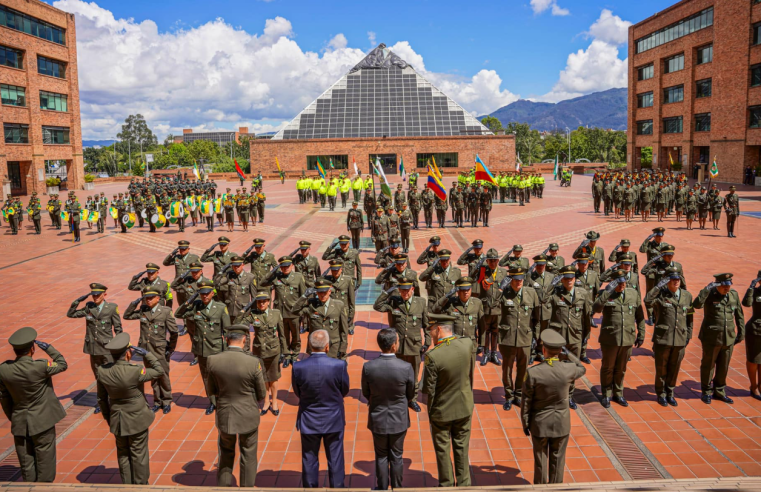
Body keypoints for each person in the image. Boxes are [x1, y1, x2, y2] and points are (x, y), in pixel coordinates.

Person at [0, 327, 67, 482]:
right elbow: (62, 364)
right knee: (45, 460)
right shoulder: (40, 366)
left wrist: (14, 416)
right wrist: (49, 348)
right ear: (32, 348)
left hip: (20, 421)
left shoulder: (3, 369)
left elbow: (4, 398)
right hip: (43, 421)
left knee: (26, 462)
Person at [96, 333, 164, 484]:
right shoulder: (135, 371)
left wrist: (109, 419)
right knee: (138, 453)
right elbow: (159, 370)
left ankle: (127, 485)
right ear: (128, 353)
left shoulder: (102, 371)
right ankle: (140, 486)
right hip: (137, 418)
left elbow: (101, 399)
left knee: (123, 453)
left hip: (117, 418)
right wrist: (148, 355)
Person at [521, 330, 586, 484]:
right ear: (560, 351)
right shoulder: (568, 370)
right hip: (561, 424)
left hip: (540, 423)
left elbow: (526, 401)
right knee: (558, 462)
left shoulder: (533, 373)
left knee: (540, 462)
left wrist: (525, 422)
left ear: (544, 350)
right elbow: (581, 368)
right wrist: (569, 354)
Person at [207, 325, 267, 487]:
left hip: (225, 414)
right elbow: (261, 394)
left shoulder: (213, 360)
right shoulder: (253, 362)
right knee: (248, 455)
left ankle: (224, 488)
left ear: (226, 340)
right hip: (248, 415)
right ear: (245, 340)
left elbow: (211, 391)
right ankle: (246, 488)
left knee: (226, 453)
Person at [422, 313, 474, 487]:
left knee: (443, 451)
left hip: (442, 412)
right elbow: (470, 374)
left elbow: (428, 389)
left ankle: (446, 485)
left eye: (431, 331)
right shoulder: (467, 343)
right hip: (465, 406)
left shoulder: (433, 356)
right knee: (462, 448)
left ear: (438, 329)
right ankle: (464, 485)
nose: (430, 335)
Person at [293, 330, 350, 488]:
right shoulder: (339, 365)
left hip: (309, 420)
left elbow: (298, 392)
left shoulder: (298, 366)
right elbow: (344, 390)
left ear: (310, 346)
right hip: (333, 418)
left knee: (309, 459)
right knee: (336, 459)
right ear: (327, 347)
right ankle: (337, 489)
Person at [361, 329, 415, 491]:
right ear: (393, 346)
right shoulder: (406, 367)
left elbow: (366, 392)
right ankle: (397, 488)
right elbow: (410, 393)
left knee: (381, 455)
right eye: (397, 342)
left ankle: (382, 488)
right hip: (399, 418)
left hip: (378, 418)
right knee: (397, 456)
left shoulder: (369, 367)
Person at [174, 279, 231, 415]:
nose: (204, 296)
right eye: (201, 294)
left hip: (216, 349)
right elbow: (178, 314)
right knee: (206, 377)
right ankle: (212, 402)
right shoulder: (196, 306)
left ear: (212, 293)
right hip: (201, 348)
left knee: (220, 376)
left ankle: (222, 401)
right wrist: (189, 301)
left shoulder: (221, 307)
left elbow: (227, 331)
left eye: (207, 293)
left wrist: (226, 350)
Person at [592, 269, 646, 408]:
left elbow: (639, 316)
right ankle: (606, 394)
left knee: (621, 368)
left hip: (627, 337)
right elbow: (596, 308)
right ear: (613, 282)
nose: (622, 285)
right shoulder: (605, 293)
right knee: (608, 368)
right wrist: (608, 292)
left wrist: (641, 333)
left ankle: (618, 393)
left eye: (623, 282)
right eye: (618, 282)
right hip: (610, 338)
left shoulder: (633, 294)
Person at [66, 282, 122, 414]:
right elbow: (71, 314)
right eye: (93, 295)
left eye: (98, 295)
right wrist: (77, 301)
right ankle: (102, 402)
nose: (95, 297)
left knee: (110, 376)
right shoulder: (88, 307)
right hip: (93, 348)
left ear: (104, 294)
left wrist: (120, 347)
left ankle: (114, 401)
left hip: (107, 349)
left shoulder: (112, 308)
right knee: (98, 377)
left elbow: (118, 328)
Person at [373, 280, 429, 410]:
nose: (405, 293)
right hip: (397, 346)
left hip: (414, 345)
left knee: (413, 375)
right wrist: (387, 291)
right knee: (396, 374)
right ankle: (398, 398)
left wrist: (427, 342)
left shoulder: (420, 302)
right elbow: (377, 306)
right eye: (402, 290)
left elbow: (426, 325)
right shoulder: (394, 301)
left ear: (412, 289)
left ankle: (412, 399)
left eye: (407, 290)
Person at [122, 286, 178, 414]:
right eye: (146, 298)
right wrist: (135, 302)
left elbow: (174, 332)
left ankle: (167, 401)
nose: (148, 300)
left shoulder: (165, 311)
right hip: (146, 349)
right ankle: (157, 401)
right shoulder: (143, 310)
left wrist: (171, 349)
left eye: (151, 298)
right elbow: (127, 315)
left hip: (159, 350)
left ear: (158, 298)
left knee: (163, 375)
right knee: (152, 376)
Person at [644, 267, 693, 407]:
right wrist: (658, 286)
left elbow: (690, 317)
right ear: (667, 281)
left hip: (680, 338)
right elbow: (647, 300)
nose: (676, 282)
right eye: (672, 280)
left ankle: (670, 392)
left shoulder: (687, 296)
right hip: (663, 338)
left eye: (678, 279)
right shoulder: (661, 295)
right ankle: (661, 393)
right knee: (661, 368)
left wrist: (688, 335)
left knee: (674, 367)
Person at [692, 273, 745, 404]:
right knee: (708, 365)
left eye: (728, 285)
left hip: (728, 337)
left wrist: (741, 332)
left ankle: (720, 391)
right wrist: (706, 289)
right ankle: (706, 391)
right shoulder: (709, 294)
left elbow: (739, 314)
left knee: (724, 366)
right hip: (711, 337)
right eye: (723, 286)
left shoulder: (733, 295)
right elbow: (697, 305)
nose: (727, 288)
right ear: (717, 285)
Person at [235, 291, 286, 415]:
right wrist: (243, 310)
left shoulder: (276, 313)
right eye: (259, 302)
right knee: (263, 378)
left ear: (269, 302)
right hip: (259, 351)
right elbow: (238, 322)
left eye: (264, 301)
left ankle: (274, 401)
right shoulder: (253, 314)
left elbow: (282, 334)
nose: (261, 304)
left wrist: (284, 351)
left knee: (273, 378)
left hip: (273, 350)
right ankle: (266, 401)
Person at [498, 267, 541, 410]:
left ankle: (518, 394)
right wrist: (498, 290)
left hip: (525, 337)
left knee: (523, 369)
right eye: (515, 280)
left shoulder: (531, 293)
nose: (518, 282)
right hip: (508, 338)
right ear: (511, 280)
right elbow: (491, 307)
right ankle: (509, 396)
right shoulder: (504, 293)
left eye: (521, 279)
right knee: (507, 370)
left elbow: (537, 317)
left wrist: (535, 336)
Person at [260, 256, 306, 367]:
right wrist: (273, 271)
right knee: (283, 335)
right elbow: (262, 282)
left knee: (295, 335)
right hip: (280, 312)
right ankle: (286, 355)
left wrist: (301, 310)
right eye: (283, 267)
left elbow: (303, 295)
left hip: (293, 312)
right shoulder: (277, 276)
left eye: (287, 266)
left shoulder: (298, 277)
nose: (285, 269)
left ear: (292, 266)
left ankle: (294, 354)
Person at [293, 279, 349, 360]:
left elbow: (344, 329)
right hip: (316, 348)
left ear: (329, 292)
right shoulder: (312, 305)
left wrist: (342, 349)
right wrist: (304, 296)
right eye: (319, 292)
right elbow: (294, 311)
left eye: (325, 292)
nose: (322, 295)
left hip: (333, 347)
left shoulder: (339, 305)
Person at [742, 271, 761, 400]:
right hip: (756, 330)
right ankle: (753, 386)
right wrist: (750, 288)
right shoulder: (755, 292)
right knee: (754, 359)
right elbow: (746, 303)